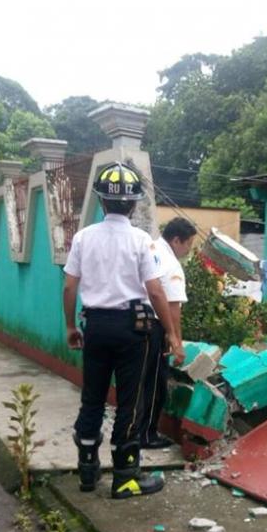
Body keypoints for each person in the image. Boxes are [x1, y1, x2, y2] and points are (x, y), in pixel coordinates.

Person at [63, 161, 185, 499]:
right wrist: (172, 335)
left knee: (92, 399)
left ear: (102, 201)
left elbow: (69, 288)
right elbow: (157, 291)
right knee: (131, 403)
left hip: (96, 326)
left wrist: (72, 326)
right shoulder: (140, 239)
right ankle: (126, 478)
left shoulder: (84, 238)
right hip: (134, 331)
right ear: (132, 203)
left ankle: (87, 473)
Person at [140, 217, 197, 449]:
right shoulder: (171, 264)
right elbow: (173, 307)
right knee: (155, 384)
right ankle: (146, 434)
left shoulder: (148, 249)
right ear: (176, 240)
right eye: (188, 245)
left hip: (131, 322)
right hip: (153, 327)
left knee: (139, 381)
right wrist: (177, 342)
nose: (188, 250)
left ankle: (135, 430)